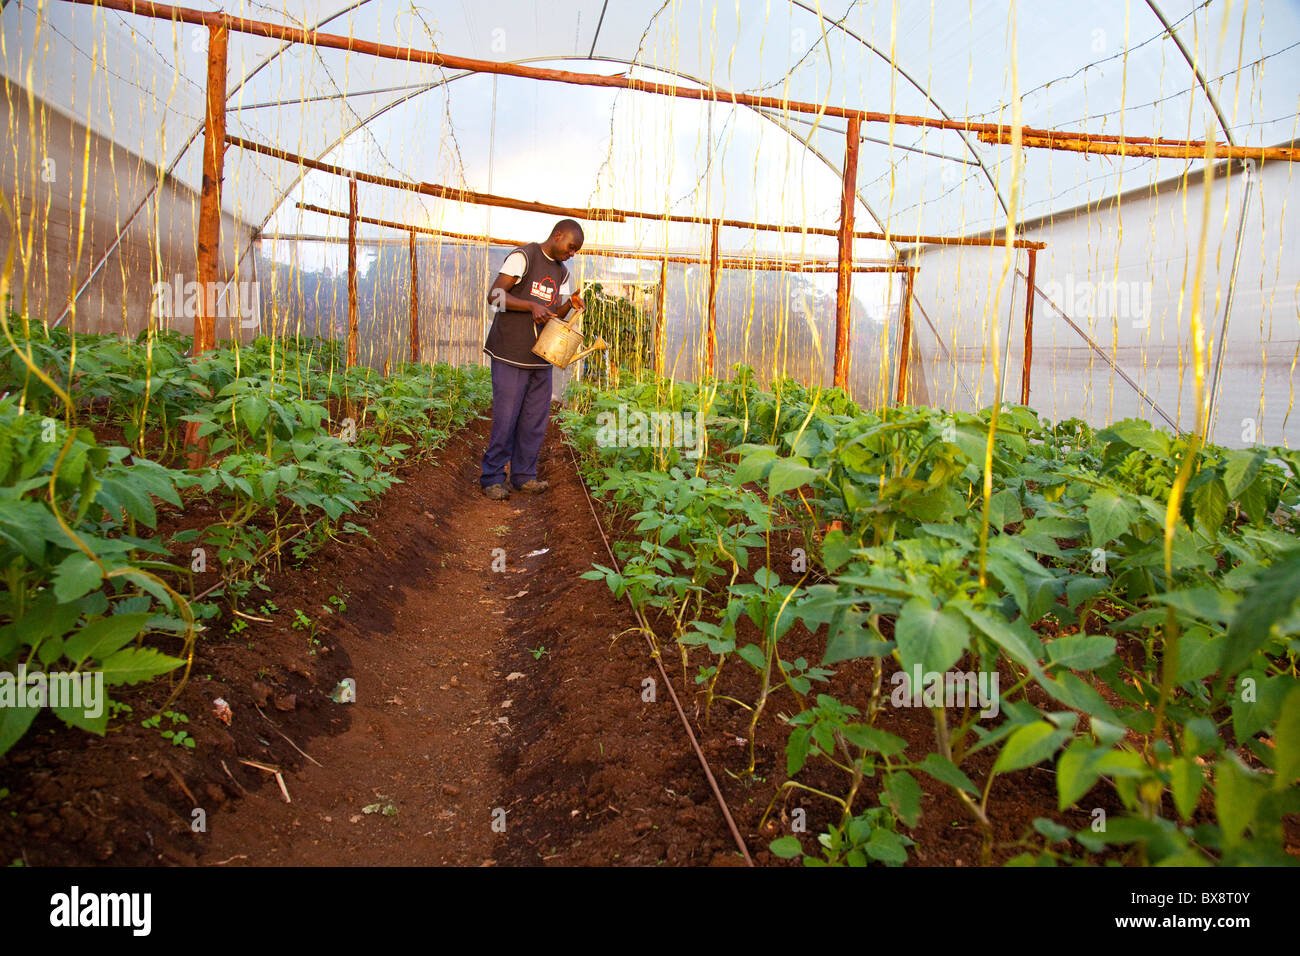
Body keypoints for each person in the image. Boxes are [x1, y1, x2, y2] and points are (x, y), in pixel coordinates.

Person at [479, 219, 586, 500]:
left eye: (576, 251)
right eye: (571, 247)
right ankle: (492, 477)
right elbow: (495, 297)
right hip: (510, 353)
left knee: (534, 420)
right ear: (557, 235)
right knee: (506, 417)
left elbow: (554, 314)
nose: (572, 253)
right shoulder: (523, 257)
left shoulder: (562, 273)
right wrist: (529, 305)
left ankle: (524, 475)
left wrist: (570, 305)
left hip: (541, 355)